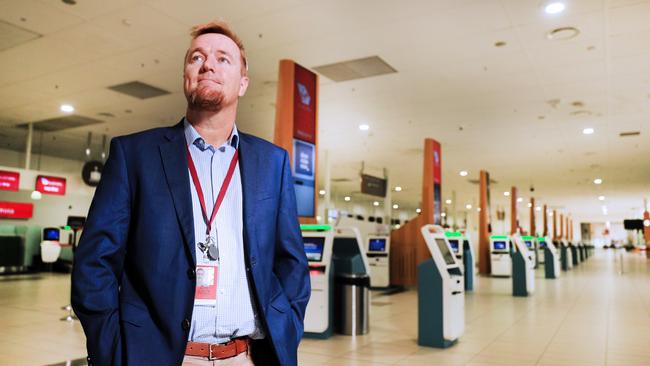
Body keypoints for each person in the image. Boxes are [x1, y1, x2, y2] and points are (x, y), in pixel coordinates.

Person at [72, 20, 310, 366]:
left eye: (223, 58)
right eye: (197, 57)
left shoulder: (272, 163)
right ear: (186, 74)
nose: (208, 64)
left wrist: (287, 325)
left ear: (243, 83)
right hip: (161, 357)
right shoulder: (135, 155)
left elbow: (291, 262)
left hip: (247, 357)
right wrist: (113, 351)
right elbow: (94, 263)